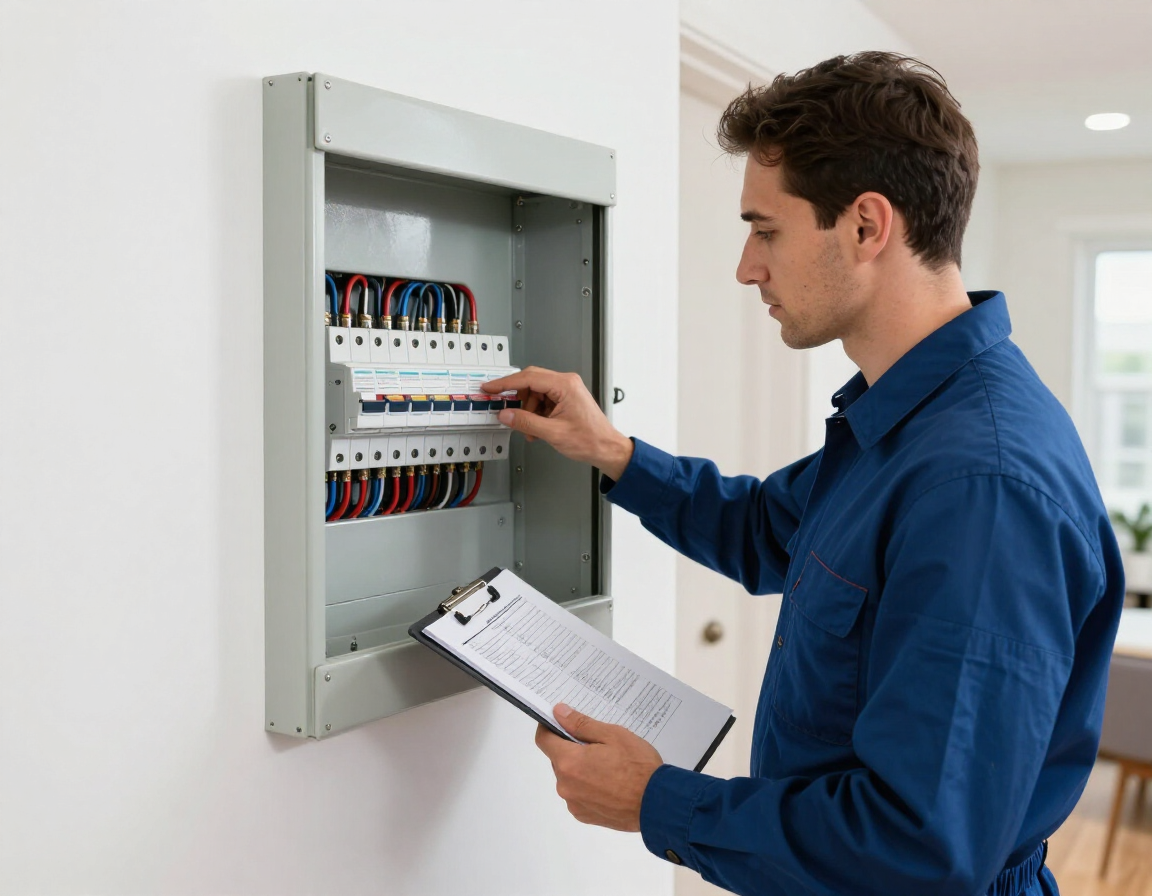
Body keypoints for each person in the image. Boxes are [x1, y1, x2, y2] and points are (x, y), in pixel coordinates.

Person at [482, 52, 1124, 896]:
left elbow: (919, 847)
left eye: (766, 229)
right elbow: (770, 530)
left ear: (866, 225)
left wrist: (655, 802)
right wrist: (614, 452)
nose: (748, 267)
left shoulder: (981, 487)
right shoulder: (906, 422)